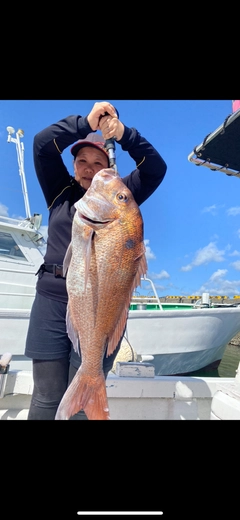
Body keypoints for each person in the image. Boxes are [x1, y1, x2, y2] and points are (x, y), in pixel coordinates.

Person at [24, 100, 167, 420]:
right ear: (73, 167)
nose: (89, 168)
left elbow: (156, 169)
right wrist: (85, 123)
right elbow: (42, 145)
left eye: (98, 161)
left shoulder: (120, 196)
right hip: (50, 300)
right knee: (46, 395)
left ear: (109, 168)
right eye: (82, 161)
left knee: (81, 402)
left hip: (102, 309)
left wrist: (127, 135)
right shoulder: (60, 191)